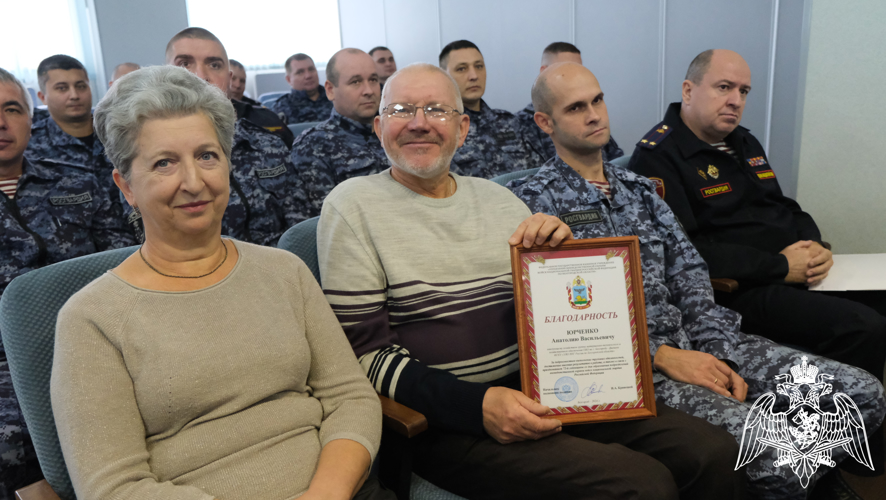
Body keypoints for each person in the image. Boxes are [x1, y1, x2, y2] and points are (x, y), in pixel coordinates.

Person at [317, 62, 747, 500]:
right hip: (445, 420)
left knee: (713, 451)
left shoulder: (501, 201)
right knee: (640, 485)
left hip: (550, 389)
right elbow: (364, 357)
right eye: (402, 110)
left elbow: (557, 316)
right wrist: (477, 406)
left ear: (463, 128)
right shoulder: (353, 208)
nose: (419, 123)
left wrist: (561, 258)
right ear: (378, 126)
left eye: (437, 110)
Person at [509, 62, 886, 499]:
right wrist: (661, 355)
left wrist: (718, 354)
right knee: (781, 452)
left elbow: (690, 274)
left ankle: (811, 482)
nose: (595, 115)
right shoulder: (532, 206)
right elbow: (562, 330)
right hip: (633, 373)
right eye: (576, 107)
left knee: (865, 395)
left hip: (705, 341)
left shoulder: (639, 190)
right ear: (544, 122)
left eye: (598, 100)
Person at [51, 65, 389, 500]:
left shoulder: (284, 271)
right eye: (164, 163)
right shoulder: (91, 319)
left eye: (207, 156)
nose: (194, 182)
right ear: (126, 186)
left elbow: (350, 397)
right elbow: (115, 487)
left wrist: (326, 493)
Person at [629, 49, 886, 380]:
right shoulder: (658, 157)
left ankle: (859, 418)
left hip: (786, 273)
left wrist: (814, 243)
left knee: (880, 303)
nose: (736, 100)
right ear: (688, 91)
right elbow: (685, 252)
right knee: (863, 327)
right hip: (738, 291)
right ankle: (832, 422)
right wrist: (780, 267)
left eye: (744, 91)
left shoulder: (742, 141)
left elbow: (781, 205)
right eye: (724, 87)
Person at [0, 67, 134, 499]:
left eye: (12, 109)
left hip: (98, 337)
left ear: (30, 117)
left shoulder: (75, 181)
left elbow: (122, 266)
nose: (2, 123)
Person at [163, 27, 305, 246]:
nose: (200, 76)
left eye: (214, 65)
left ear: (228, 78)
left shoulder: (268, 145)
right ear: (165, 76)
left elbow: (299, 229)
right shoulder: (149, 157)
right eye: (184, 64)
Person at [289, 48, 387, 218]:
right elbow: (329, 220)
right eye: (355, 82)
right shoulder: (313, 145)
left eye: (373, 80)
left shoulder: (396, 132)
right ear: (330, 90)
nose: (369, 90)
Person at [439, 40, 544, 178]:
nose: (474, 76)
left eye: (479, 66)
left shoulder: (510, 122)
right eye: (462, 69)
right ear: (444, 76)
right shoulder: (440, 129)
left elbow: (539, 172)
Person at [25, 55, 118, 198]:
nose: (74, 95)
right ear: (42, 97)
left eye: (81, 86)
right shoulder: (29, 147)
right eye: (62, 88)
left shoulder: (118, 131)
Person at [515, 42, 623, 163]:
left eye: (578, 68)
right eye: (575, 108)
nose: (594, 116)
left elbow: (618, 162)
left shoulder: (594, 118)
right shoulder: (518, 126)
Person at [270, 53, 334, 124]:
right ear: (289, 79)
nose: (308, 76)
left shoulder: (335, 98)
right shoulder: (281, 108)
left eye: (311, 69)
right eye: (300, 72)